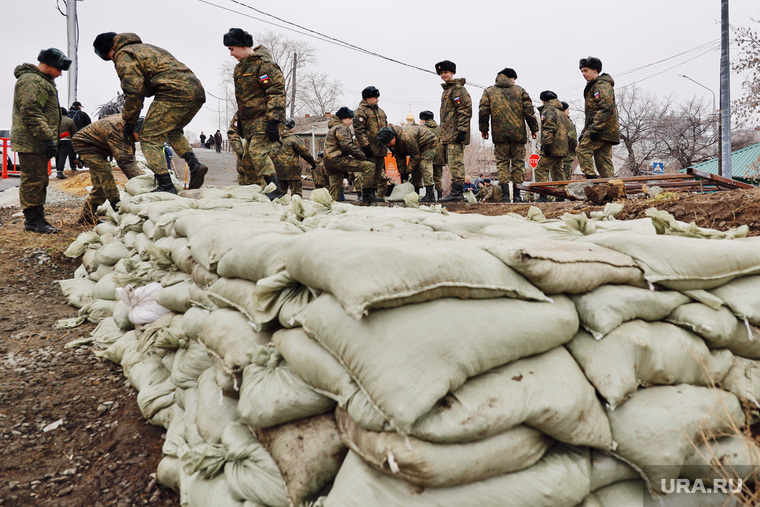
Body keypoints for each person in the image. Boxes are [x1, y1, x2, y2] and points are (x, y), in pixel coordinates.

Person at [93, 32, 208, 193]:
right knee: (172, 131)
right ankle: (195, 164)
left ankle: (166, 185)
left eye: (110, 57)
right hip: (195, 91)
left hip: (172, 92)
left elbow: (134, 90)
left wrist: (129, 120)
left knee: (148, 137)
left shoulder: (123, 54)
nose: (113, 60)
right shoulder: (146, 48)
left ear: (111, 48)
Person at [11, 48, 71, 234]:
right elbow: (31, 112)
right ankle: (33, 222)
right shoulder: (31, 81)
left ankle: (38, 218)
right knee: (33, 181)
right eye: (59, 69)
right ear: (49, 64)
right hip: (33, 141)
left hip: (37, 140)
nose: (60, 74)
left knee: (39, 180)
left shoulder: (42, 81)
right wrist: (47, 138)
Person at [224, 27, 285, 199]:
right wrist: (242, 122)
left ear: (243, 46)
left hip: (265, 118)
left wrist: (274, 122)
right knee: (248, 160)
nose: (231, 54)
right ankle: (252, 191)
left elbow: (276, 92)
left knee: (258, 151)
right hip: (249, 121)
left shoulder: (264, 65)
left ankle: (275, 190)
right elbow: (243, 99)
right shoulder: (239, 69)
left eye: (232, 49)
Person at [478, 67, 539, 203]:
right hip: (518, 135)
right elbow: (529, 112)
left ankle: (505, 196)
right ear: (512, 78)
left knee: (502, 164)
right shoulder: (520, 91)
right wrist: (534, 129)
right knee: (518, 165)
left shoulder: (489, 92)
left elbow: (483, 111)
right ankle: (517, 196)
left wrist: (484, 130)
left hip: (499, 135)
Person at [71, 114, 144, 224]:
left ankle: (86, 216)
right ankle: (117, 208)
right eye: (141, 135)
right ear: (134, 129)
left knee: (100, 186)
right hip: (86, 145)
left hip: (100, 146)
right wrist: (141, 182)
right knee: (106, 177)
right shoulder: (116, 131)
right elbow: (125, 161)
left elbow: (129, 153)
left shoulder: (128, 126)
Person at [576, 56, 620, 179]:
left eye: (586, 70)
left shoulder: (601, 85)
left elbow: (606, 107)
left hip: (602, 129)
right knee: (603, 161)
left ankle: (591, 179)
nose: (583, 74)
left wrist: (595, 129)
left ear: (595, 70)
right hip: (603, 129)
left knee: (582, 150)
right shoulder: (595, 86)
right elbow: (591, 114)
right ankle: (612, 188)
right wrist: (585, 131)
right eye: (582, 71)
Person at [435, 60, 472, 202]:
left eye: (446, 72)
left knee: (456, 162)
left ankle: (457, 193)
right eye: (441, 73)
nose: (443, 75)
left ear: (452, 73)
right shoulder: (447, 90)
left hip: (455, 134)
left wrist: (462, 130)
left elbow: (464, 109)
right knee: (452, 163)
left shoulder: (457, 89)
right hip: (448, 135)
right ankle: (455, 192)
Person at [324, 107, 375, 202]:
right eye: (350, 119)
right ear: (343, 119)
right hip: (338, 160)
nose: (351, 121)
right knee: (370, 166)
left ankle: (328, 209)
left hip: (329, 163)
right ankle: (367, 194)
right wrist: (363, 156)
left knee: (334, 193)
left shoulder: (332, 128)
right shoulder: (341, 127)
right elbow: (347, 145)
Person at [376, 125, 438, 203]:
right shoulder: (394, 142)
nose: (388, 145)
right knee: (415, 168)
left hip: (428, 143)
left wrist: (408, 171)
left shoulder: (407, 137)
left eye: (388, 143)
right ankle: (416, 192)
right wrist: (402, 173)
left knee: (424, 164)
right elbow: (399, 157)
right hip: (416, 145)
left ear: (393, 138)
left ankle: (430, 194)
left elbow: (415, 156)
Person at [353, 86, 388, 202]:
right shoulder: (360, 112)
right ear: (367, 98)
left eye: (377, 97)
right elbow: (359, 130)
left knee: (378, 172)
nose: (377, 99)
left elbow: (386, 129)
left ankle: (373, 192)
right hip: (368, 149)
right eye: (374, 97)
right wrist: (365, 146)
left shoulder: (381, 112)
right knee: (369, 171)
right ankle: (367, 193)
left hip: (380, 148)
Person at [534, 91, 569, 202]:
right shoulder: (561, 112)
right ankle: (561, 196)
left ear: (544, 101)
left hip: (553, 147)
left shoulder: (548, 110)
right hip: (562, 148)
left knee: (540, 170)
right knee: (558, 172)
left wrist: (546, 145)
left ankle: (543, 196)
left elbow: (549, 128)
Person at [274, 118, 316, 196]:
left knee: (280, 196)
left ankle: (281, 208)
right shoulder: (294, 139)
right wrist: (313, 164)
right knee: (296, 195)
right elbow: (305, 153)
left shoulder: (275, 138)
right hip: (292, 171)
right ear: (292, 128)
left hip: (277, 171)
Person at [419, 110, 445, 199]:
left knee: (428, 176)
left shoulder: (423, 129)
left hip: (427, 156)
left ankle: (430, 196)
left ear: (424, 120)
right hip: (440, 157)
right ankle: (440, 197)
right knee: (438, 178)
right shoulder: (440, 129)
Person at [56, 106, 77, 179]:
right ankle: (60, 171)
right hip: (66, 140)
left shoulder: (55, 120)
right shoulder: (70, 120)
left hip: (56, 140)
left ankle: (58, 171)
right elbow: (73, 132)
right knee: (63, 156)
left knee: (57, 156)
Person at [561, 101, 578, 181]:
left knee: (558, 179)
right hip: (567, 155)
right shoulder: (567, 121)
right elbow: (572, 138)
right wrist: (576, 149)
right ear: (564, 111)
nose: (569, 112)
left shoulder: (557, 120)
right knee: (566, 179)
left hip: (558, 155)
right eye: (568, 110)